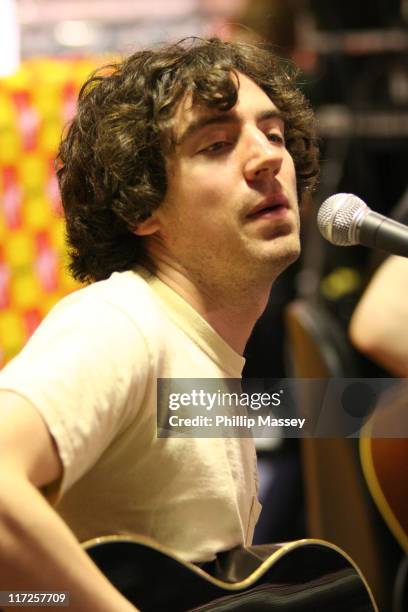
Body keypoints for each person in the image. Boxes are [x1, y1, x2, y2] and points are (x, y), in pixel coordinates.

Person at [0, 37, 318, 610]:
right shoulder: (120, 324)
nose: (269, 157)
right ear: (142, 205)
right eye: (218, 143)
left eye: (274, 135)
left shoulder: (198, 354)